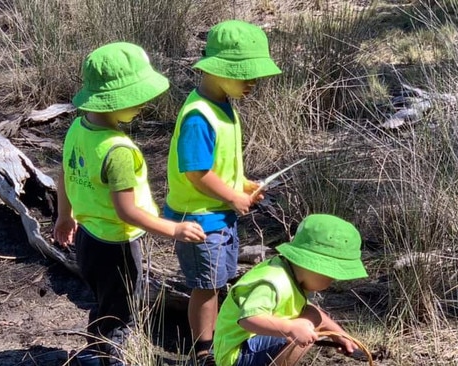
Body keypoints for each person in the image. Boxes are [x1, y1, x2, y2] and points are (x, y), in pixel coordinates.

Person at [53, 42, 206, 366]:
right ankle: (107, 358)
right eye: (137, 99)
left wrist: (64, 217)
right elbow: (127, 211)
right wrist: (174, 229)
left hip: (87, 240)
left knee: (105, 303)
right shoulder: (118, 150)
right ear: (114, 101)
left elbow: (64, 176)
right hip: (116, 246)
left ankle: (95, 350)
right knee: (122, 315)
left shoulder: (77, 130)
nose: (143, 105)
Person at [164, 20, 282, 365]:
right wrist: (232, 196)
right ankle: (203, 350)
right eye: (245, 75)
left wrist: (242, 185)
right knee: (206, 285)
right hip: (200, 217)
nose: (253, 83)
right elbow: (197, 172)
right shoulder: (199, 116)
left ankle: (216, 338)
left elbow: (221, 164)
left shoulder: (222, 104)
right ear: (217, 70)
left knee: (218, 280)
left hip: (219, 213)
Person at [213, 214, 369, 366]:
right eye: (331, 276)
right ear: (313, 265)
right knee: (303, 329)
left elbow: (310, 311)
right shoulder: (273, 281)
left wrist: (339, 335)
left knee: (311, 316)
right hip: (235, 355)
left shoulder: (292, 273)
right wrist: (291, 329)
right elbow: (248, 320)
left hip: (256, 342)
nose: (332, 281)